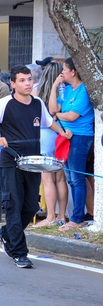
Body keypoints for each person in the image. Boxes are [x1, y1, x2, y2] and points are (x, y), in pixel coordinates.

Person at [0, 65, 66, 268]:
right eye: (22, 80)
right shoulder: (5, 103)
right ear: (12, 83)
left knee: (31, 206)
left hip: (33, 163)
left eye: (29, 79)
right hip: (10, 162)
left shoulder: (37, 103)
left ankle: (5, 233)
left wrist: (63, 132)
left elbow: (48, 122)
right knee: (14, 205)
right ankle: (20, 253)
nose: (27, 83)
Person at [49, 57, 95, 232]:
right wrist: (54, 86)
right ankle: (77, 216)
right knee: (70, 178)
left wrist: (56, 116)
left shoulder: (83, 90)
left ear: (73, 72)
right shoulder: (67, 89)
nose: (62, 73)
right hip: (65, 137)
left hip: (80, 137)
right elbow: (53, 108)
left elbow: (71, 116)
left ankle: (78, 218)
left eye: (64, 70)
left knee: (77, 179)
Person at [34, 61, 68, 226]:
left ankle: (50, 217)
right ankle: (61, 216)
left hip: (44, 137)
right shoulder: (65, 92)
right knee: (60, 178)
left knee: (48, 179)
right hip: (60, 136)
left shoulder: (37, 92)